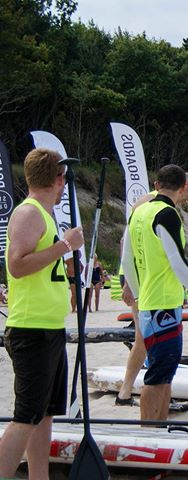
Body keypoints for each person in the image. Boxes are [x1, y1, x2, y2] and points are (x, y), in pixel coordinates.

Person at [0, 148, 84, 478]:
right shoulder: (29, 213)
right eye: (63, 178)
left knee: (45, 414)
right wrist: (64, 246)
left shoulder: (45, 216)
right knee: (26, 416)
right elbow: (16, 266)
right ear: (57, 178)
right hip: (31, 329)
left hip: (49, 327)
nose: (65, 185)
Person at [121, 165, 188, 422]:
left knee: (164, 373)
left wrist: (139, 295)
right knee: (157, 376)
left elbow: (126, 259)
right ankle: (149, 434)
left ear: (156, 185)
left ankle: (158, 429)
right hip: (164, 304)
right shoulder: (167, 214)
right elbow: (178, 262)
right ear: (184, 186)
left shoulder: (138, 213)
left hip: (149, 302)